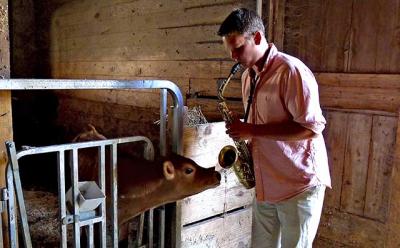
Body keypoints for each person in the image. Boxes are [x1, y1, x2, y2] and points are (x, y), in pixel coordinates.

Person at [217, 8, 331, 248]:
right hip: (266, 182)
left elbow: (311, 128)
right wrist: (244, 134)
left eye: (238, 48)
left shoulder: (291, 71)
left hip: (297, 185)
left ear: (257, 37)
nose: (233, 56)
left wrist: (252, 131)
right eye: (229, 50)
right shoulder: (249, 76)